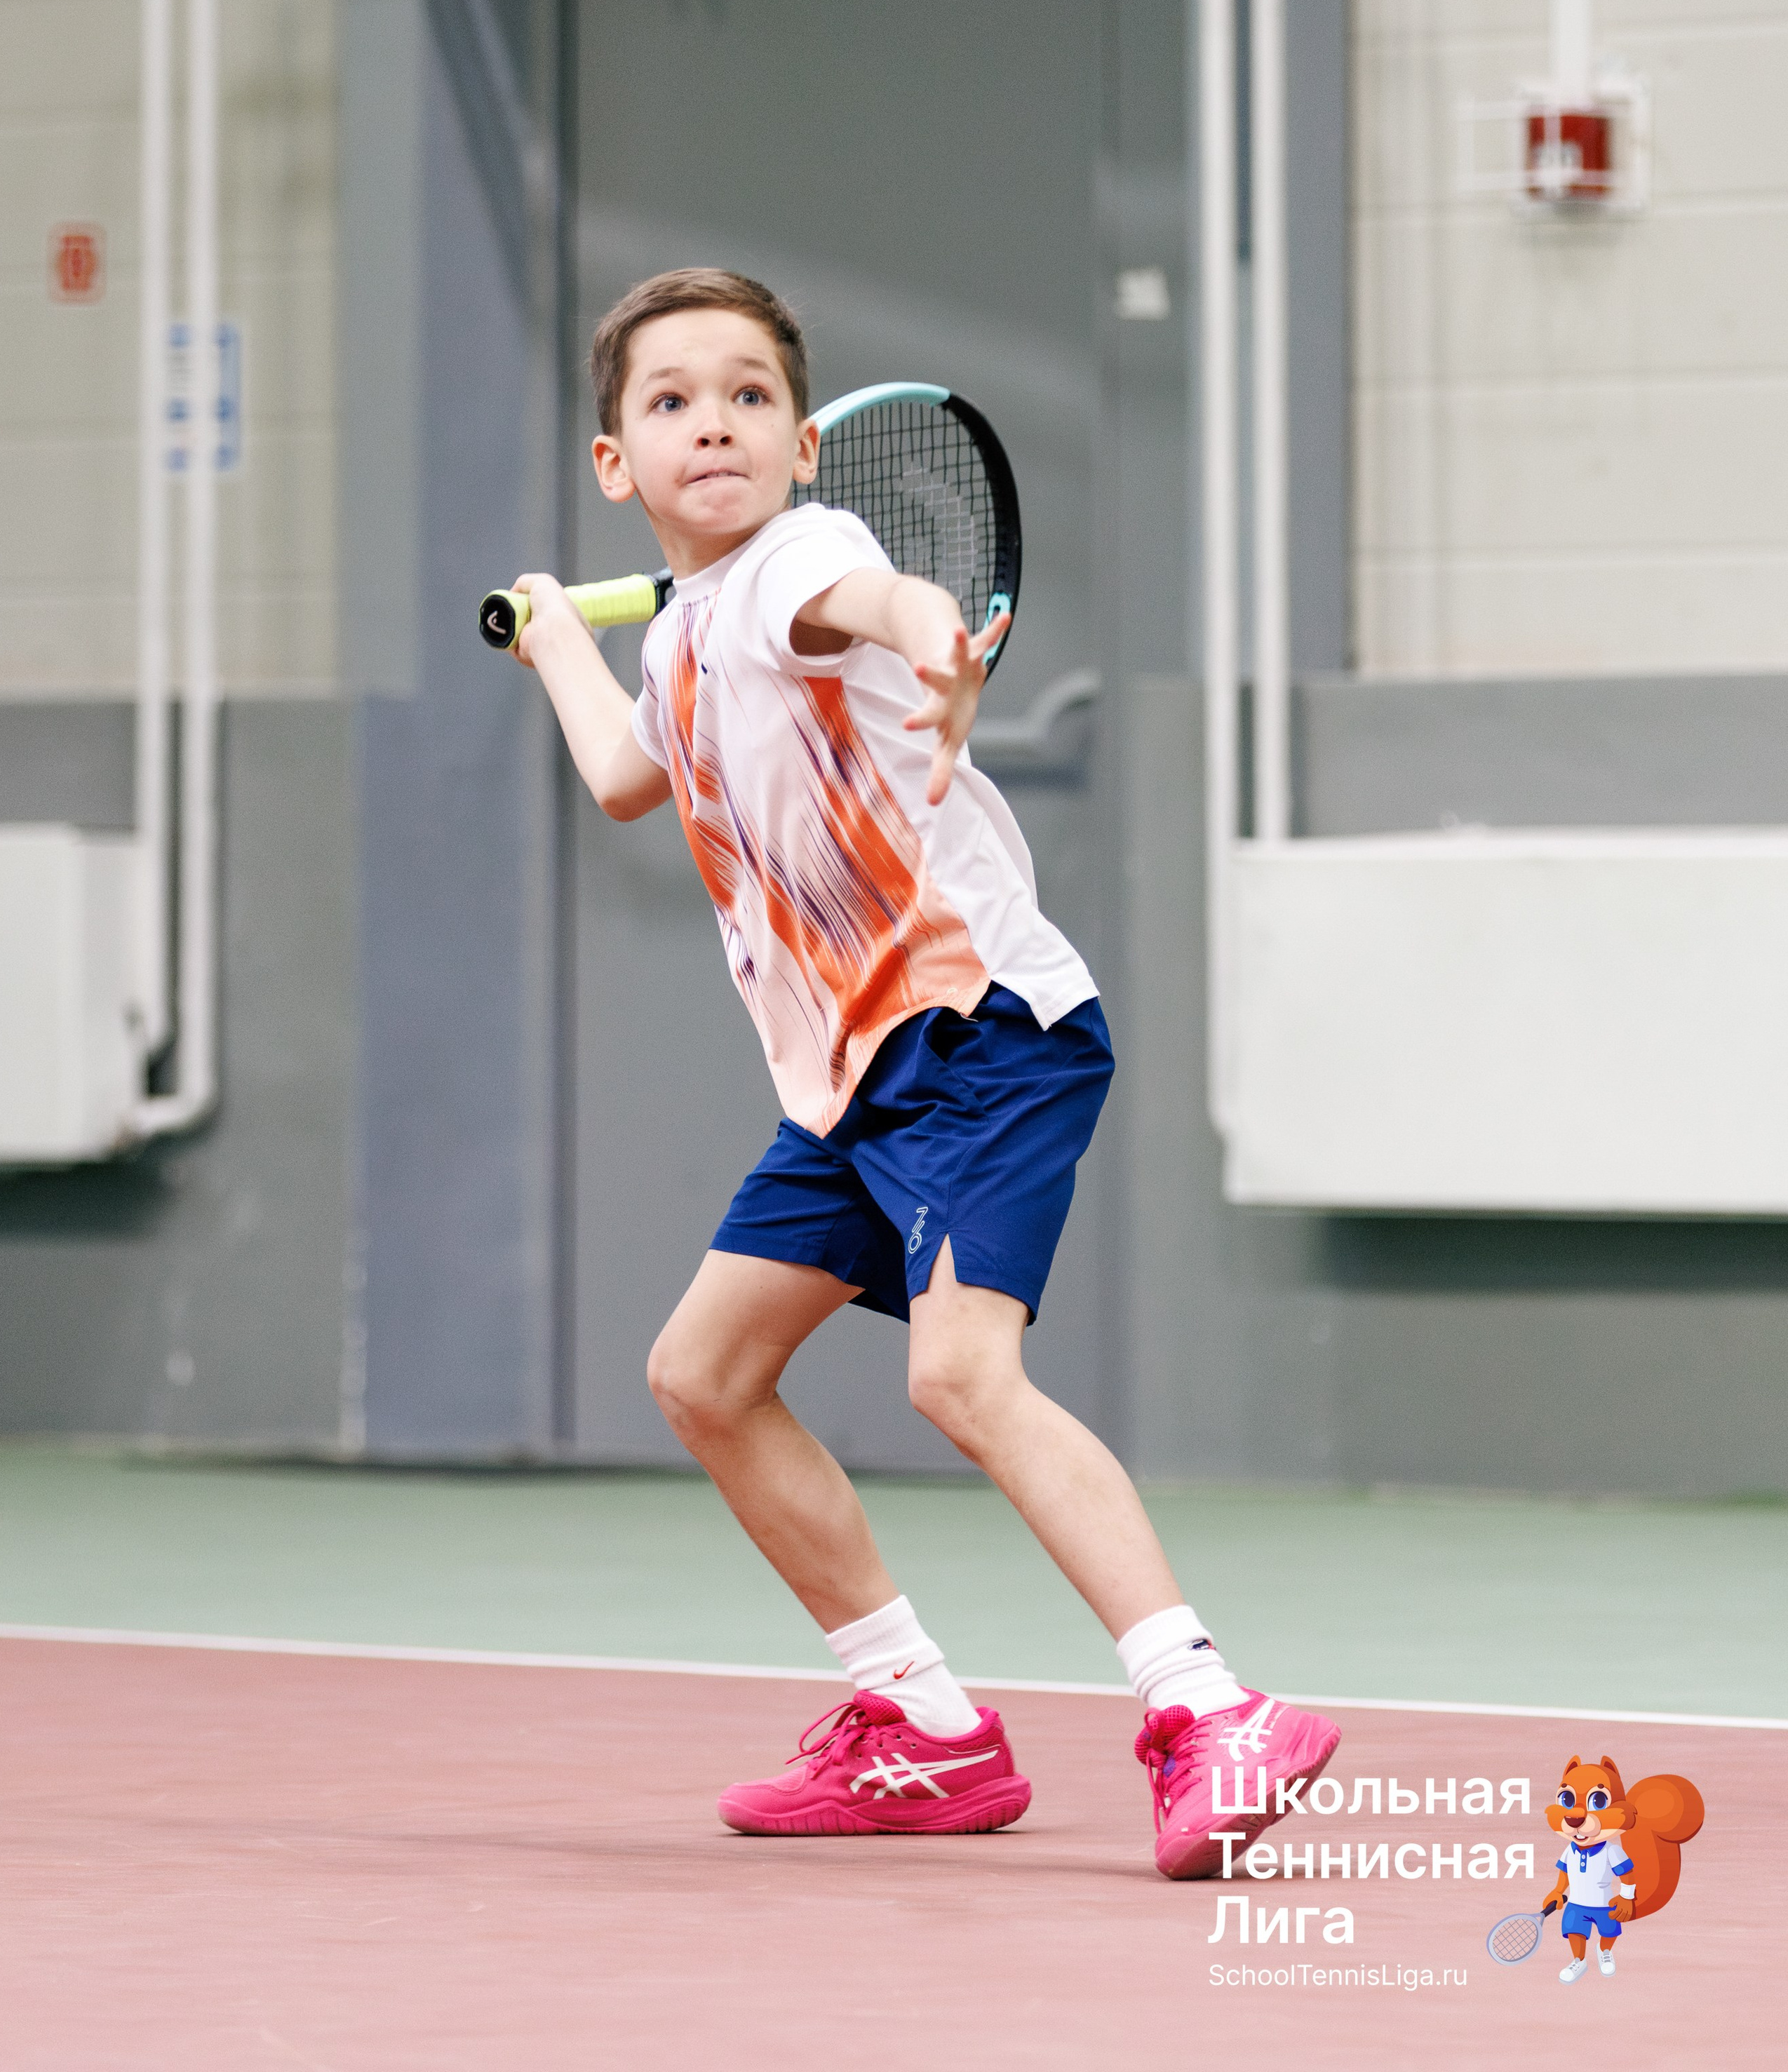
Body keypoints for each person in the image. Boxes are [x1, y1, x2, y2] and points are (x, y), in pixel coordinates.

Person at [506, 265, 1338, 1878]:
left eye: (748, 394)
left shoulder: (801, 561)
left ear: (803, 442)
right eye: (669, 401)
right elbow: (624, 771)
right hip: (847, 1081)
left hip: (978, 1036)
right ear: (616, 464)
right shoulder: (679, 632)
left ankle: (1203, 1704)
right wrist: (555, 635)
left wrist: (926, 626)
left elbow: (869, 603)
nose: (713, 423)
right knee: (705, 1372)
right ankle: (922, 1727)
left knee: (959, 1375)